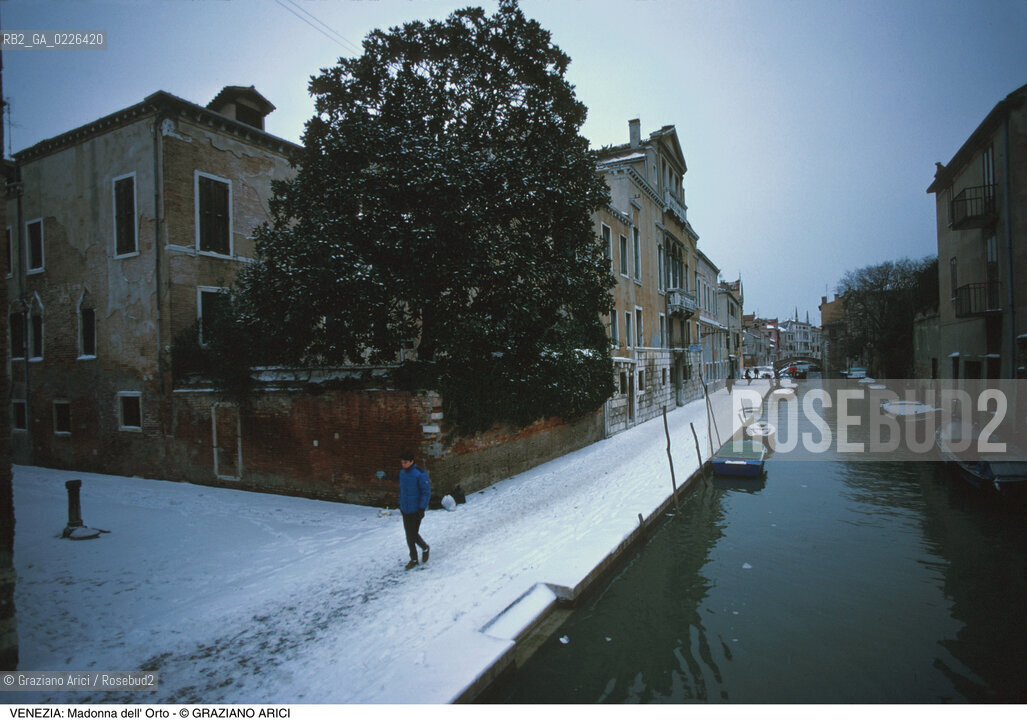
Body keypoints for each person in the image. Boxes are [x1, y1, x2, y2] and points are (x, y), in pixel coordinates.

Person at [397, 452, 430, 570]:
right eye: (402, 462)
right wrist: (400, 503)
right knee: (409, 535)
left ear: (411, 461)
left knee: (412, 535)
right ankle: (415, 558)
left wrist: (421, 508)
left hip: (416, 510)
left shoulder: (420, 474)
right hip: (405, 509)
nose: (403, 465)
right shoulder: (402, 473)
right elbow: (402, 490)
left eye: (405, 462)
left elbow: (426, 492)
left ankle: (423, 549)